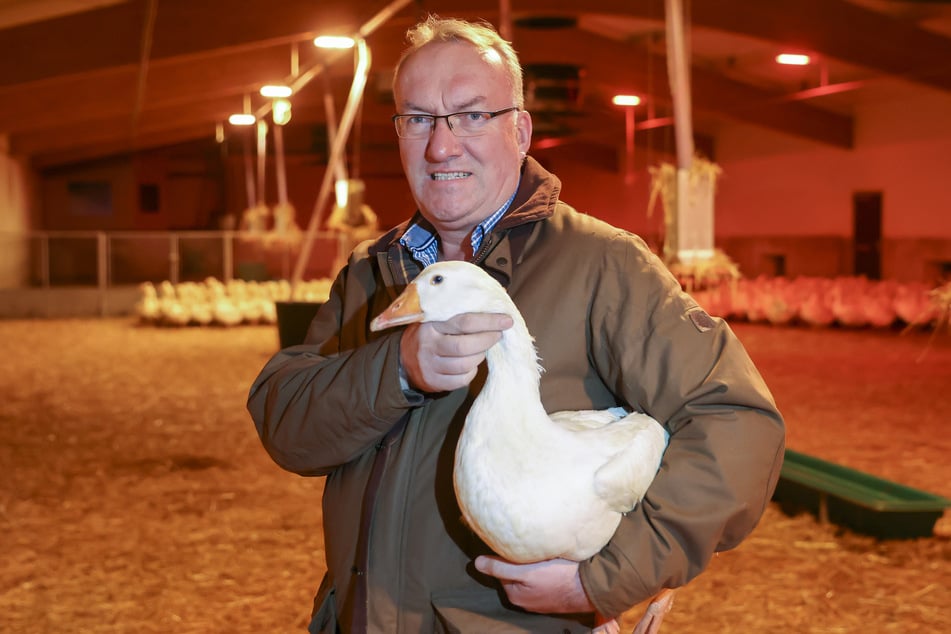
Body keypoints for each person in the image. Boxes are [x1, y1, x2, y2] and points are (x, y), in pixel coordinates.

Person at [248, 14, 785, 634]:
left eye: (472, 115)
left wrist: (603, 579)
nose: (441, 145)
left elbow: (737, 422)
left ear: (521, 130)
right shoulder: (373, 274)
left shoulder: (601, 264)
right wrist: (397, 368)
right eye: (418, 118)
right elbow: (288, 426)